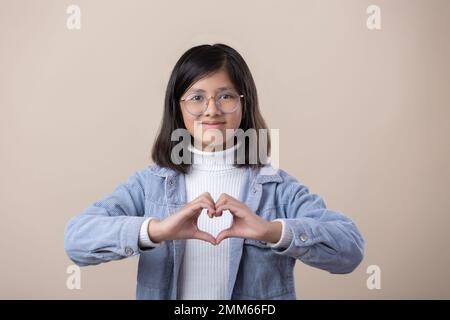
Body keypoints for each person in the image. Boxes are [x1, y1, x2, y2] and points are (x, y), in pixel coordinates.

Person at [64, 43, 364, 300]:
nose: (211, 110)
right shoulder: (149, 184)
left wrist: (271, 231)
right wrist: (157, 230)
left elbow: (349, 250)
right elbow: (77, 241)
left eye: (226, 96)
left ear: (244, 104)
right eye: (197, 97)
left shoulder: (276, 187)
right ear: (178, 108)